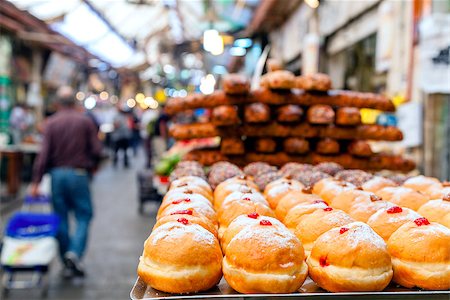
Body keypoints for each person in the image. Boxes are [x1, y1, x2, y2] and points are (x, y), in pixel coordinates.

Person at [31, 86, 102, 278]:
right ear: (74, 102)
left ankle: (66, 258)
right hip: (79, 175)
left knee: (60, 216)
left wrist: (36, 181)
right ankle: (75, 253)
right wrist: (94, 166)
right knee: (83, 215)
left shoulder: (51, 123)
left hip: (56, 176)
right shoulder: (85, 122)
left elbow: (43, 155)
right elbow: (97, 150)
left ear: (57, 104)